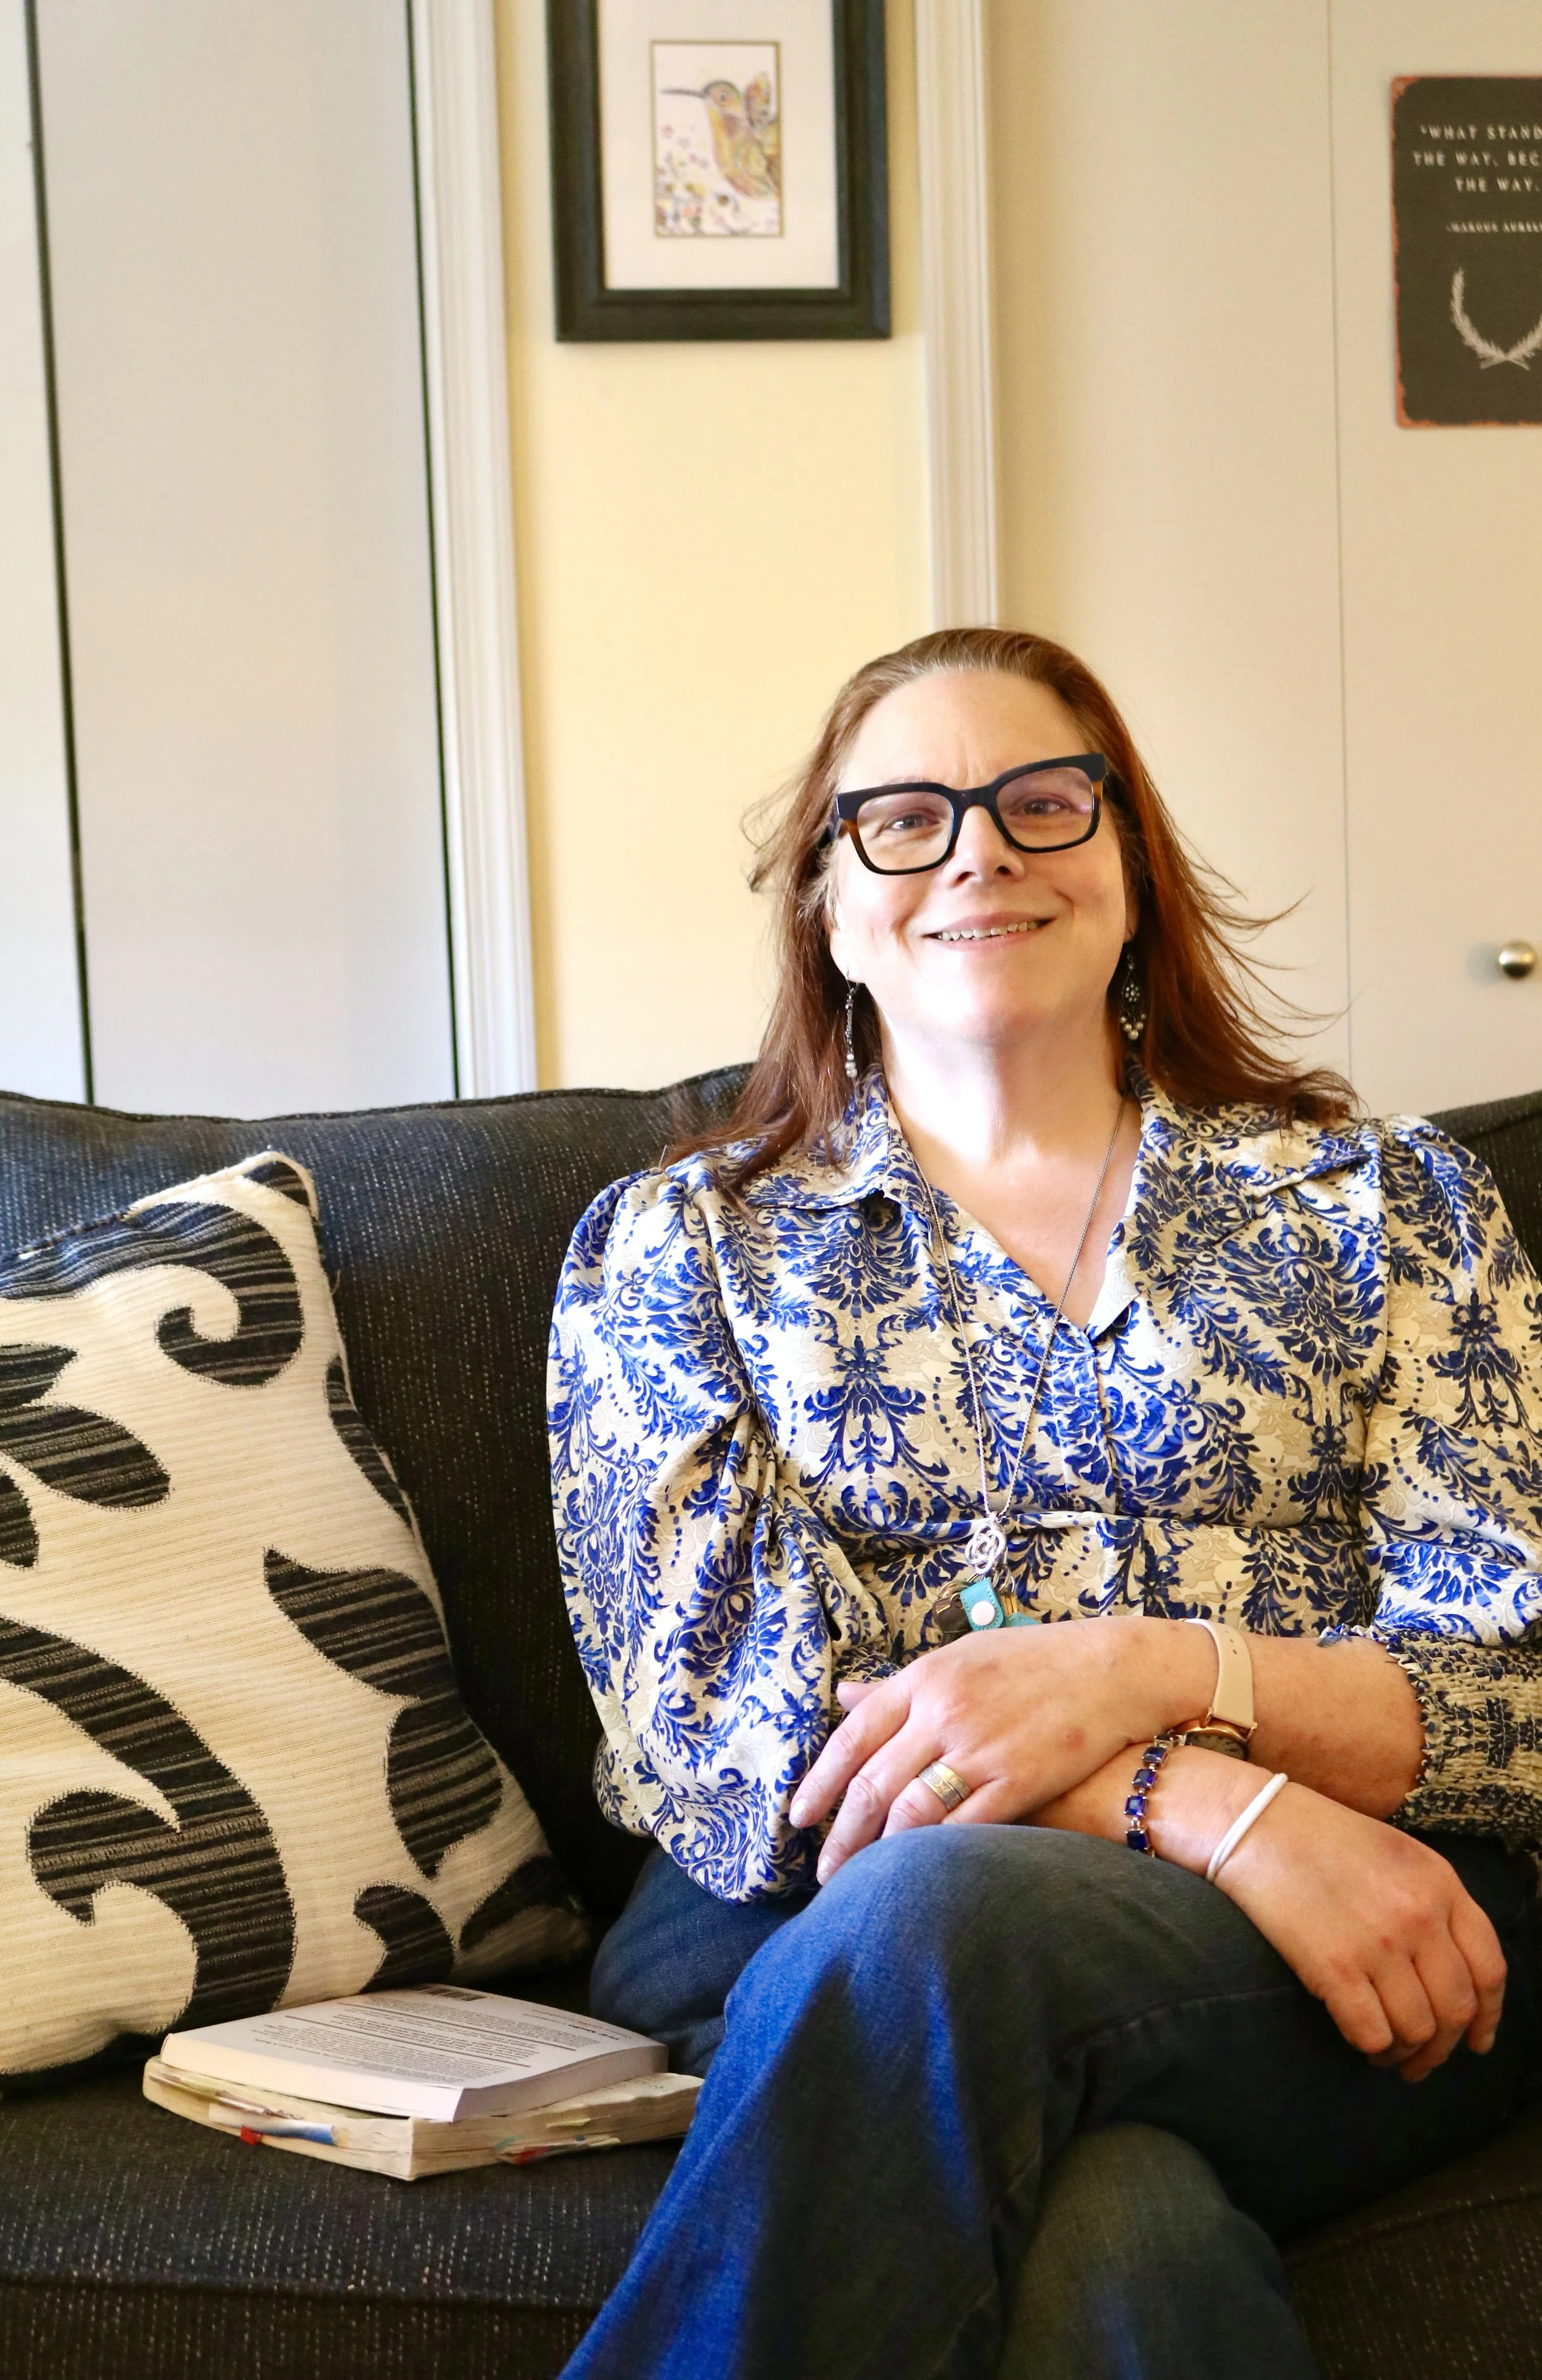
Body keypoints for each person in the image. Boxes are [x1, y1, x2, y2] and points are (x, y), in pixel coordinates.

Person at [547, 627, 1542, 2379]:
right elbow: (742, 1741)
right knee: (1110, 2224)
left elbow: (1516, 1687)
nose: (979, 852)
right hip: (827, 1912)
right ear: (829, 909)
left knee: (951, 1945)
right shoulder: (678, 1245)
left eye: (1038, 804)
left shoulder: (1384, 1207)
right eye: (906, 820)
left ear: (1132, 870)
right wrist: (1208, 1801)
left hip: (1368, 1920)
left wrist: (1155, 1664)